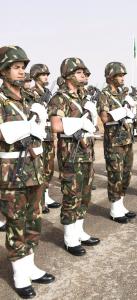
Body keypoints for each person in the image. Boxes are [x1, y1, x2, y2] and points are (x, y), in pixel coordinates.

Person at [0, 45, 55, 299]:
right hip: (11, 172)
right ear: (3, 71)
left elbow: (42, 131)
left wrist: (35, 123)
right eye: (16, 67)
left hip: (34, 168)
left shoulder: (30, 98)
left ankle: (30, 266)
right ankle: (19, 274)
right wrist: (30, 125)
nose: (22, 72)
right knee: (16, 223)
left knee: (34, 220)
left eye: (23, 67)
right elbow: (6, 133)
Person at [48, 57, 100, 256]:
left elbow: (94, 125)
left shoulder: (83, 98)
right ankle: (70, 238)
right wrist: (79, 124)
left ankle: (80, 231)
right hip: (70, 153)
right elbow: (56, 125)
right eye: (79, 73)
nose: (84, 76)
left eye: (85, 73)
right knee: (72, 195)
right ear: (69, 75)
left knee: (85, 194)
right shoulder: (59, 98)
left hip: (86, 151)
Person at [98, 62, 137, 223]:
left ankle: (121, 204)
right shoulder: (104, 94)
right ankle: (114, 208)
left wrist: (131, 108)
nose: (122, 78)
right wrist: (122, 111)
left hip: (127, 139)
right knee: (116, 174)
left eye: (123, 76)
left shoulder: (122, 94)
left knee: (127, 173)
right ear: (110, 77)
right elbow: (105, 118)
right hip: (114, 141)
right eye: (119, 76)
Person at [30, 63, 61, 213]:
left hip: (49, 133)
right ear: (35, 76)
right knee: (39, 168)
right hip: (38, 134)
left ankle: (46, 196)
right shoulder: (31, 92)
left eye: (47, 74)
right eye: (43, 74)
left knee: (49, 167)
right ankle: (39, 199)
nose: (46, 77)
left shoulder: (48, 92)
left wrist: (54, 134)